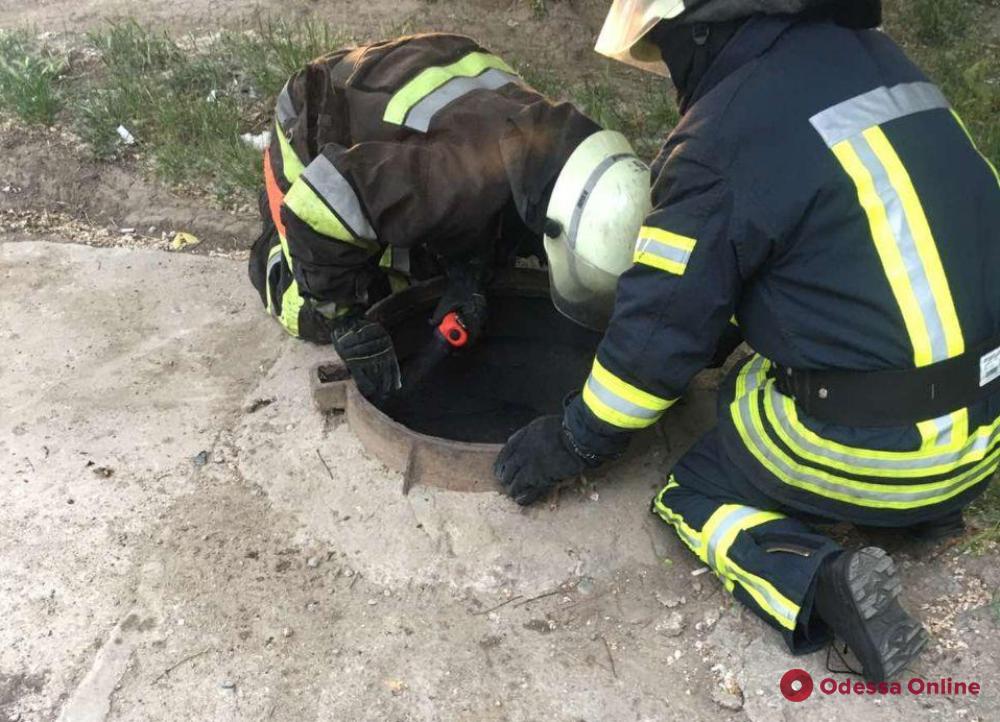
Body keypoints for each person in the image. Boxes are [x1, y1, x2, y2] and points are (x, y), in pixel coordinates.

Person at [494, 0, 1000, 682]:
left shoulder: (722, 132)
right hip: (982, 432)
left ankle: (819, 581)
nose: (672, 74)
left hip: (895, 453)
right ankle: (914, 512)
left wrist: (573, 441)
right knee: (760, 381)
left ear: (704, 27)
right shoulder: (879, 62)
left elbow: (655, 338)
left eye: (668, 48)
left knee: (694, 489)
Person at [248, 33, 651, 400]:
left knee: (425, 257)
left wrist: (469, 272)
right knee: (324, 304)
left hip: (402, 83)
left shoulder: (572, 149)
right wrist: (347, 322)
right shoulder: (448, 174)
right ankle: (275, 267)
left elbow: (492, 205)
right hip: (315, 129)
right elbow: (315, 206)